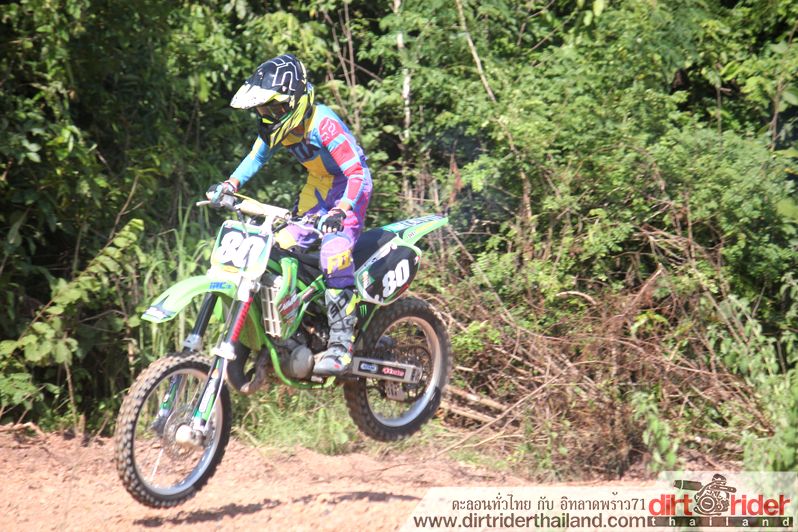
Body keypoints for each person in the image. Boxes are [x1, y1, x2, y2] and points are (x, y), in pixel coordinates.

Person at [206, 54, 372, 376]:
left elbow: (357, 173)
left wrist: (341, 210)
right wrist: (230, 184)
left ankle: (342, 343)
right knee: (275, 247)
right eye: (262, 110)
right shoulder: (278, 128)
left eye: (273, 109)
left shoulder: (323, 124)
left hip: (349, 190)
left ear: (294, 101)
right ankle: (290, 326)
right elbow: (256, 157)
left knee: (334, 252)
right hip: (318, 188)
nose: (267, 116)